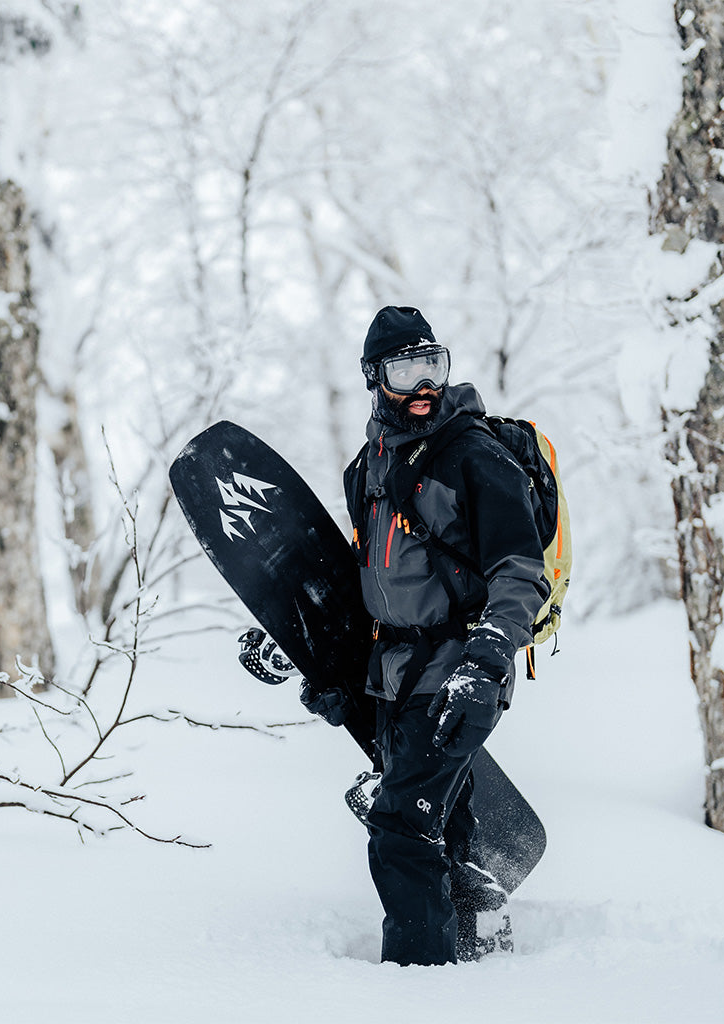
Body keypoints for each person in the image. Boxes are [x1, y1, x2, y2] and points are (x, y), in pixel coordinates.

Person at [302, 305, 549, 966]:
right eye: (405, 368)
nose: (422, 385)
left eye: (431, 365)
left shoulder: (473, 455)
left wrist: (488, 661)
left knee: (400, 827)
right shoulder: (368, 470)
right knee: (445, 822)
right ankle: (470, 943)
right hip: (396, 670)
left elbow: (521, 572)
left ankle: (418, 987)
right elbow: (370, 581)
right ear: (374, 377)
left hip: (463, 664)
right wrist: (305, 649)